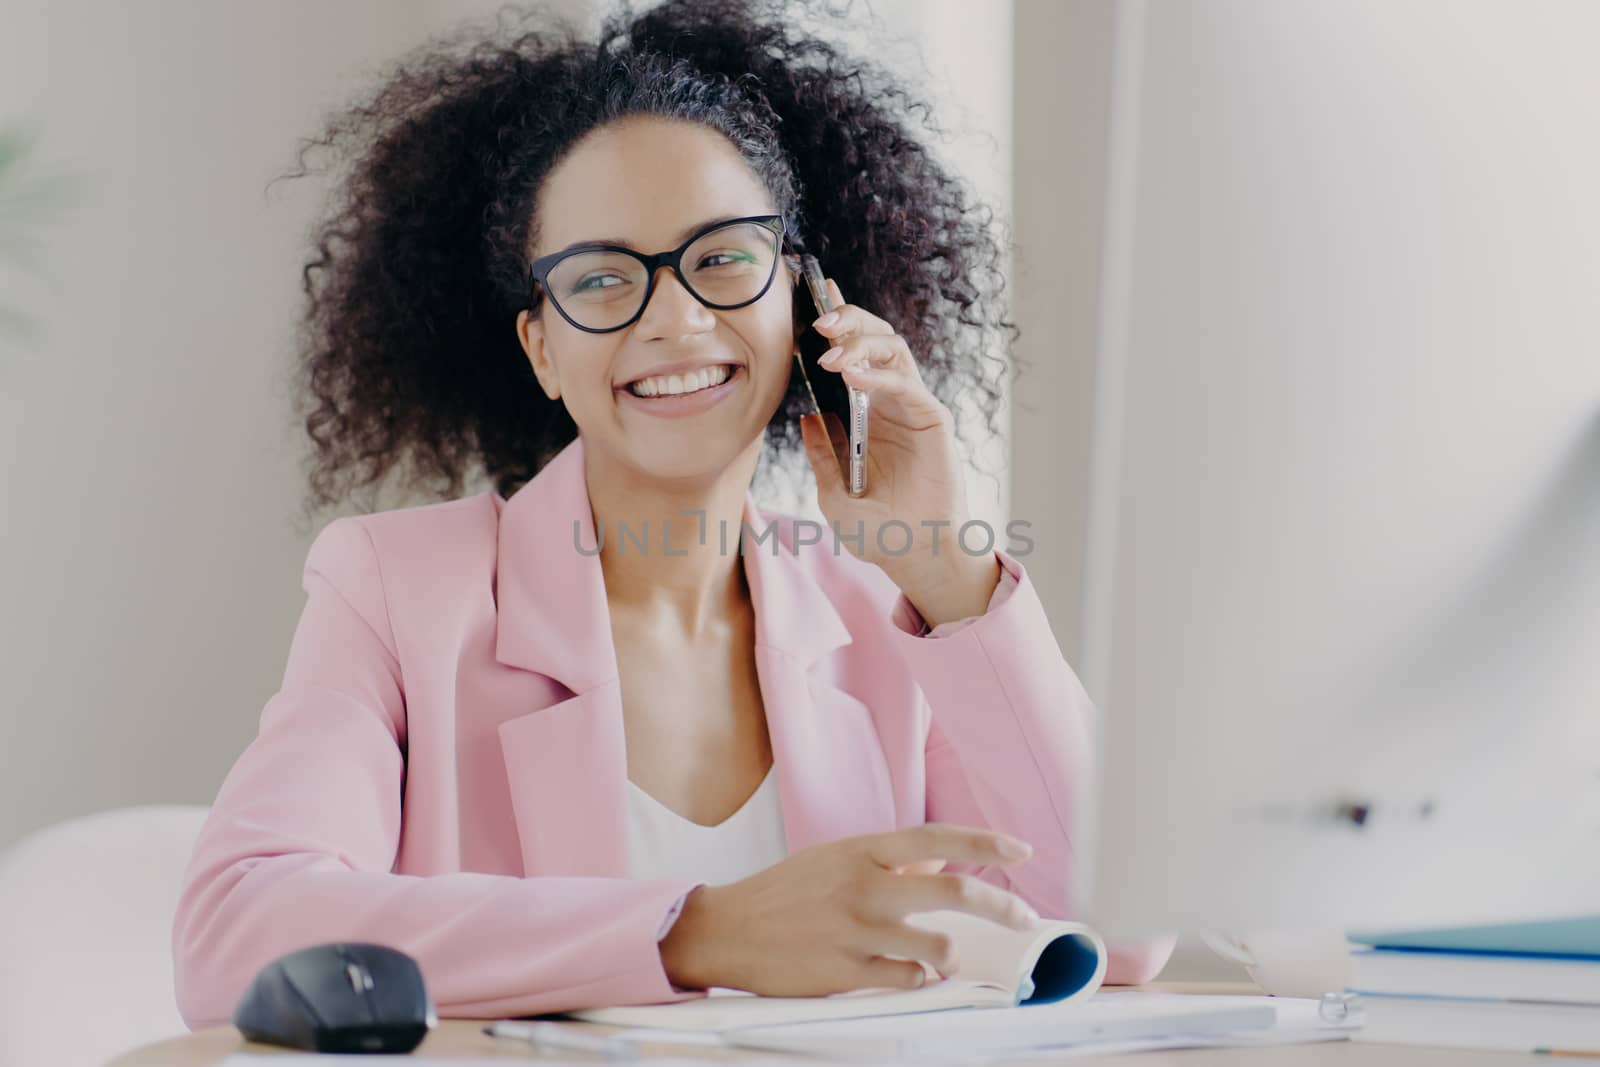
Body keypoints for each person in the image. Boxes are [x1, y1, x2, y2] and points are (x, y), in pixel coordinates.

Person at [171, 0, 1176, 1030]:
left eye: (723, 256)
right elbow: (234, 933)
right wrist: (699, 931)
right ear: (542, 350)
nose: (674, 317)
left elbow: (1128, 924)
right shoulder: (397, 589)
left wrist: (944, 567)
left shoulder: (886, 612)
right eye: (602, 278)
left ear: (803, 296)